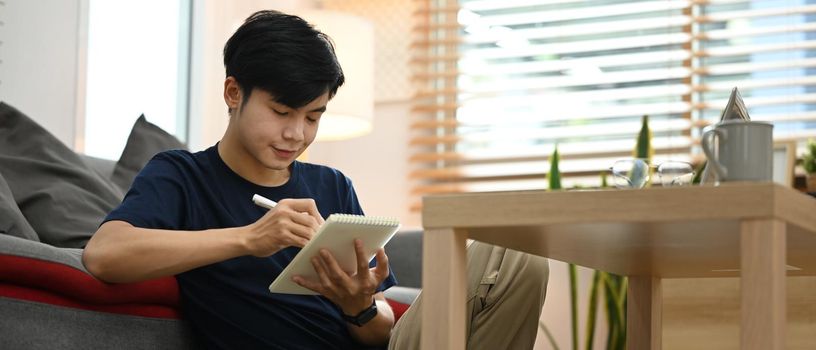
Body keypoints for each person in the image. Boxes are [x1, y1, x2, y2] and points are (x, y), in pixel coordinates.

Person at [82, 10, 549, 350]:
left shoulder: (332, 185)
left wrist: (359, 305)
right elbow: (105, 254)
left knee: (517, 256)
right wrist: (249, 238)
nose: (296, 134)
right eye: (282, 112)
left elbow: (382, 326)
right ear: (233, 92)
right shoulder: (182, 175)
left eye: (313, 116)